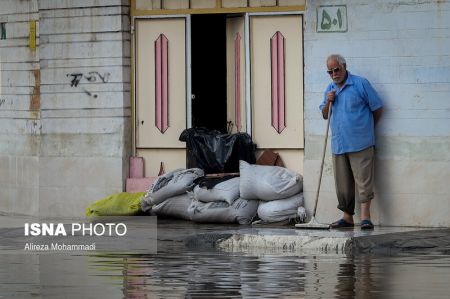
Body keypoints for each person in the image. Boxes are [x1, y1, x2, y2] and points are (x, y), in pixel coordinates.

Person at [320, 54, 383, 230]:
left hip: (361, 142)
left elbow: (377, 108)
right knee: (343, 183)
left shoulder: (360, 84)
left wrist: (366, 129)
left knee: (364, 180)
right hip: (339, 144)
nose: (334, 74)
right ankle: (347, 217)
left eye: (336, 69)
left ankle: (365, 217)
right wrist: (329, 101)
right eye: (330, 71)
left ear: (344, 66)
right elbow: (325, 114)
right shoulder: (330, 89)